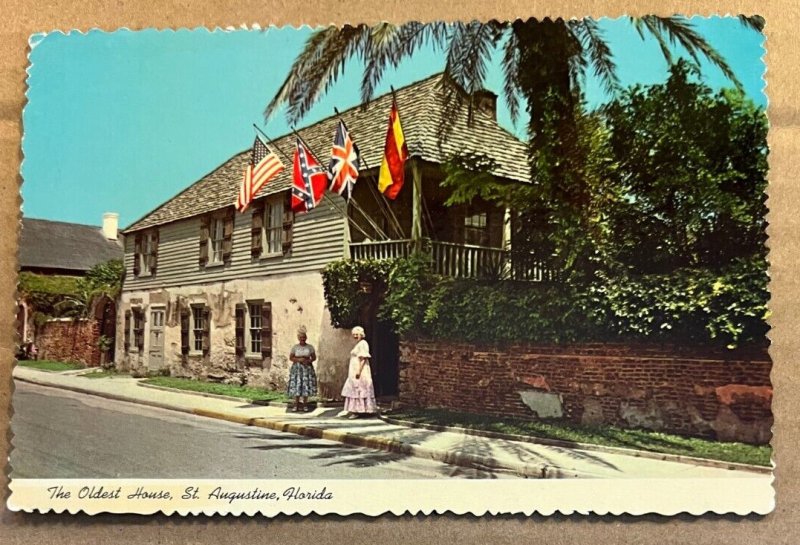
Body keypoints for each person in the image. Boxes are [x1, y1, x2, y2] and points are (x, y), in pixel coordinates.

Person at [340, 326, 377, 419]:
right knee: (356, 388)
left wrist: (359, 371)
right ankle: (358, 410)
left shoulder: (363, 343)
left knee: (359, 388)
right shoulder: (359, 344)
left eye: (357, 334)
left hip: (360, 370)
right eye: (354, 335)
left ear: (361, 334)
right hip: (354, 369)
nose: (355, 336)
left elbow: (363, 358)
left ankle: (359, 411)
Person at [287, 327, 317, 412]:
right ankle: (296, 405)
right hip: (297, 369)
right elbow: (291, 357)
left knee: (305, 386)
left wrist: (308, 361)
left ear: (306, 338)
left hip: (306, 369)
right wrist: (298, 360)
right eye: (301, 338)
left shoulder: (310, 347)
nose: (302, 339)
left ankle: (305, 405)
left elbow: (314, 357)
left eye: (304, 337)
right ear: (298, 338)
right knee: (297, 385)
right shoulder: (295, 347)